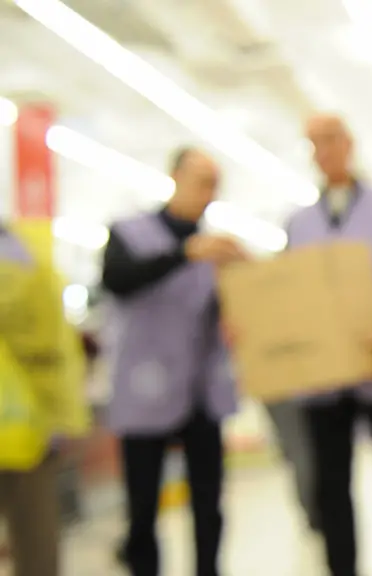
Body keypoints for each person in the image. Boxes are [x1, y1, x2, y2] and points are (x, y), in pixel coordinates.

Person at [279, 113, 372, 575]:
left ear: (349, 143)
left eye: (330, 139)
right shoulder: (298, 224)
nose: (323, 150)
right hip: (325, 380)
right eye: (314, 143)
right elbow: (287, 295)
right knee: (332, 490)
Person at [100, 147, 246, 576]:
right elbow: (117, 280)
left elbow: (224, 311)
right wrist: (185, 253)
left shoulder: (218, 251)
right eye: (202, 182)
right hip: (145, 391)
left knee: (209, 503)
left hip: (201, 392)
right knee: (144, 505)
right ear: (175, 176)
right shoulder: (130, 234)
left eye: (214, 186)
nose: (208, 193)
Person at [0, 224, 87, 576]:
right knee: (35, 542)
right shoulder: (32, 251)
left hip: (28, 424)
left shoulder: (30, 251)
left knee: (36, 539)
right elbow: (56, 346)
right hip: (30, 424)